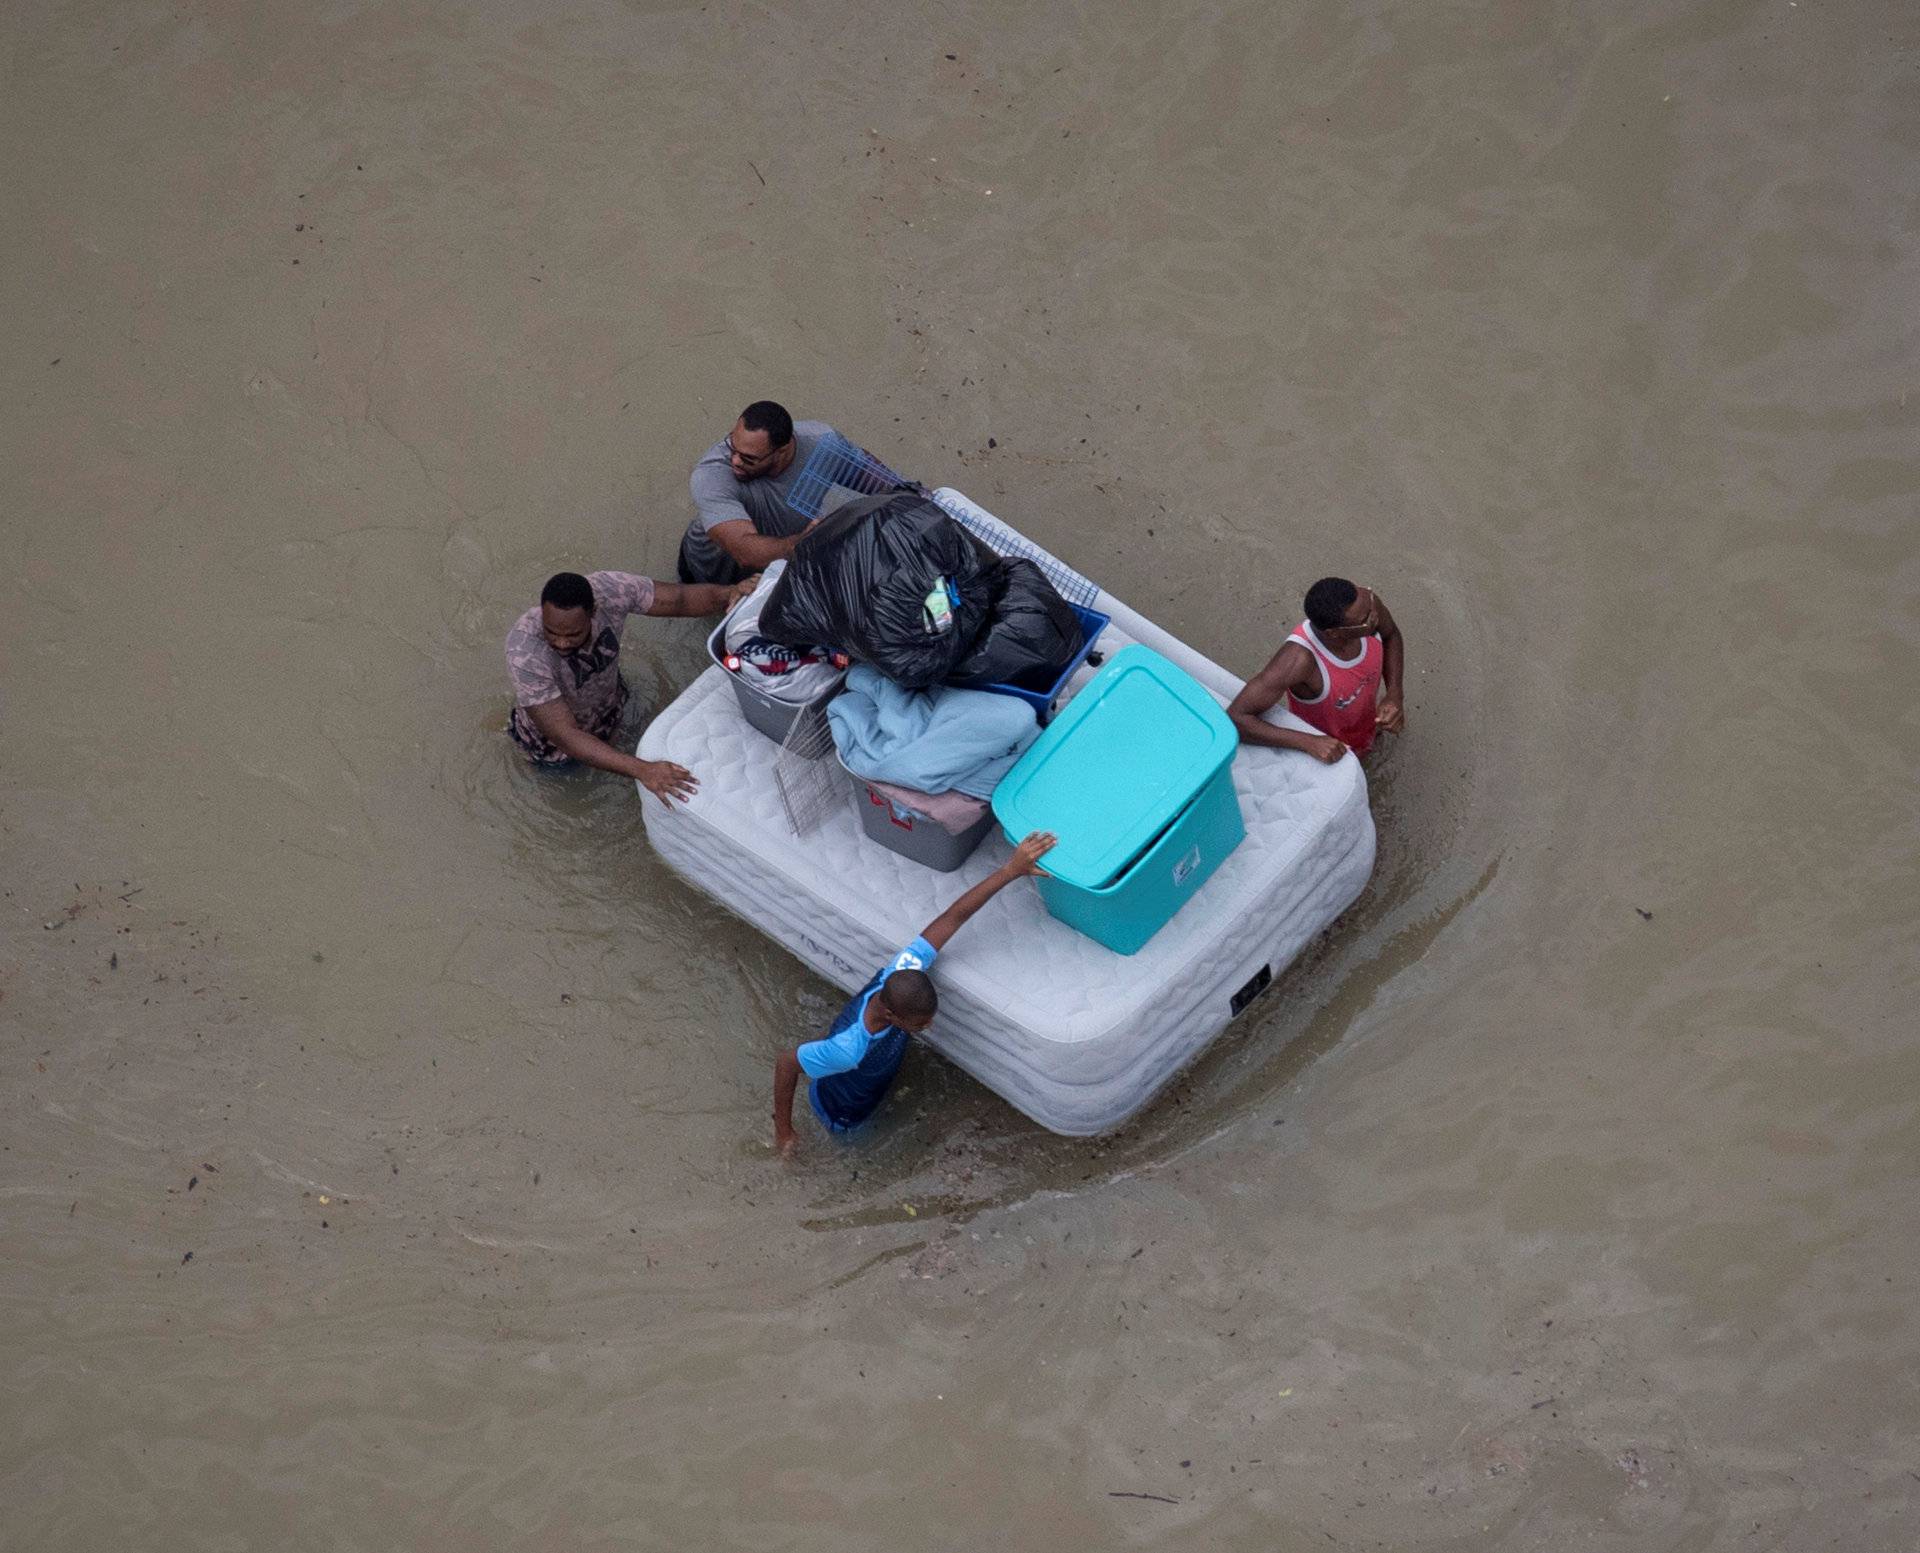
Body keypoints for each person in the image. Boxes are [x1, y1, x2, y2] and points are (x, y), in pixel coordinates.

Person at [771, 832, 1058, 1154]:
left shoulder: (902, 969)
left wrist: (1010, 870)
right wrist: (785, 1131)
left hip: (869, 1081)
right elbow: (786, 1064)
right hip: (842, 1113)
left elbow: (954, 916)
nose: (928, 1028)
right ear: (892, 1015)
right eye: (920, 1025)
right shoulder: (849, 1049)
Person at [504, 568, 754, 803]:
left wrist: (729, 593)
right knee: (572, 791)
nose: (561, 643)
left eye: (572, 635)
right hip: (555, 746)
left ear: (594, 612)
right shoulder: (525, 651)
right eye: (552, 632)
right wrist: (643, 769)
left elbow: (679, 599)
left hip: (611, 704)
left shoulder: (611, 591)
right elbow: (565, 735)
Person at [677, 400, 904, 586]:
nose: (734, 461)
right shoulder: (711, 475)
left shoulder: (822, 442)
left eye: (748, 458)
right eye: (732, 447)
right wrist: (801, 544)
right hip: (709, 565)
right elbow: (744, 551)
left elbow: (865, 473)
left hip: (779, 564)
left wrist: (912, 496)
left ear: (782, 450)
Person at [1228, 577, 1405, 763]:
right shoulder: (1298, 660)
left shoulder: (1365, 605)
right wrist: (1308, 742)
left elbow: (1391, 634)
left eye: (1370, 603)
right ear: (1334, 633)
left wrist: (1394, 693)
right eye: (1365, 620)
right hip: (1329, 748)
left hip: (1367, 724)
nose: (1375, 616)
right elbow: (1237, 718)